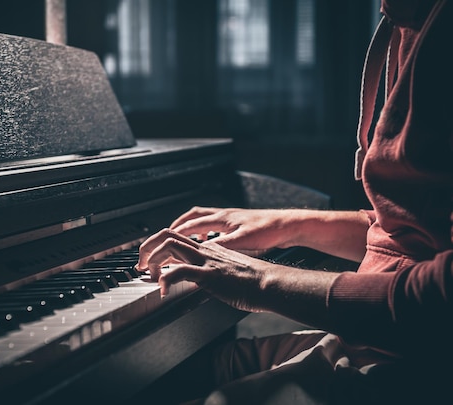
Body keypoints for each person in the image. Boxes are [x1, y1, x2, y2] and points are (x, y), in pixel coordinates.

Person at [136, 0, 452, 404]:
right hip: (380, 344)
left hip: (421, 366)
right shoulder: (414, 17)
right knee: (165, 375)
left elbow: (441, 302)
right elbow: (422, 228)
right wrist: (291, 225)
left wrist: (261, 281)